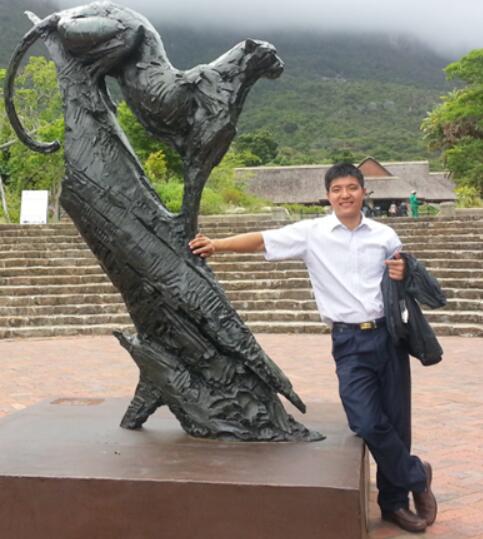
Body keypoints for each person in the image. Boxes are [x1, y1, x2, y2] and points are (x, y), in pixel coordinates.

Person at [189, 163, 437, 533]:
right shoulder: (312, 233)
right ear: (328, 195)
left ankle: (394, 504)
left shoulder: (385, 235)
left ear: (363, 192)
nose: (345, 195)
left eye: (352, 187)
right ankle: (417, 475)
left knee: (396, 422)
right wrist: (217, 245)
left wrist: (403, 273)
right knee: (365, 421)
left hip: (389, 336)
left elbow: (403, 276)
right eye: (337, 189)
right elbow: (262, 240)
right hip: (349, 341)